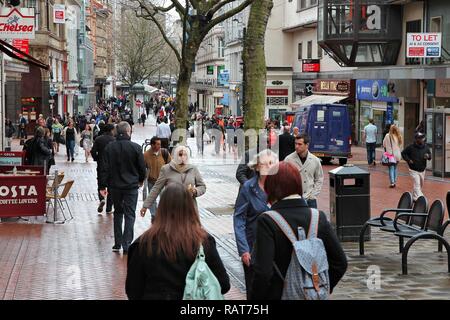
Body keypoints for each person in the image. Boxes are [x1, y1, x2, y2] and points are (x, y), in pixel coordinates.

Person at [249, 161, 348, 300]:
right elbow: (340, 263)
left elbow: (262, 272)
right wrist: (317, 288)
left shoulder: (267, 221)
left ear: (271, 188)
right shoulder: (318, 217)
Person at [126, 183, 230, 300]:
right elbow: (223, 284)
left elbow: (133, 290)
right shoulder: (203, 241)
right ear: (190, 208)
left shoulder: (143, 244)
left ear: (161, 208)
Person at [233, 149, 279, 298]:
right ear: (257, 167)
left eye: (271, 163)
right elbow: (239, 219)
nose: (268, 166)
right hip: (254, 247)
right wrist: (243, 249)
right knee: (254, 291)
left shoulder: (280, 188)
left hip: (277, 248)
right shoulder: (248, 188)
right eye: (264, 164)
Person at [99, 121, 146, 254]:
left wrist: (103, 185)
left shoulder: (110, 148)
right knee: (130, 214)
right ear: (127, 132)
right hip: (131, 186)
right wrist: (141, 180)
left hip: (115, 186)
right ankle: (126, 244)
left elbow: (104, 168)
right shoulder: (136, 148)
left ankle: (117, 243)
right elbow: (142, 168)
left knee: (118, 213)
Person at [141, 145, 206, 218]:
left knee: (189, 229)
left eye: (185, 155)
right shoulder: (166, 169)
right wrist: (145, 206)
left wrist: (195, 191)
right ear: (175, 155)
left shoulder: (193, 169)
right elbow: (156, 188)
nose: (182, 157)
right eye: (180, 154)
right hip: (172, 209)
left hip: (189, 209)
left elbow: (202, 186)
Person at [285, 133, 324, 208]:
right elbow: (283, 179)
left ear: (307, 145)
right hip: (293, 200)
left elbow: (319, 178)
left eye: (300, 144)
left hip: (310, 200)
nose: (296, 146)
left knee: (313, 219)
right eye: (295, 144)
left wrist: (313, 195)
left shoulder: (315, 160)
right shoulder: (288, 159)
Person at [143, 136, 172, 221]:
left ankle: (163, 214)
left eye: (160, 144)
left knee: (164, 199)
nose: (160, 146)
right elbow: (142, 168)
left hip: (163, 181)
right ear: (152, 145)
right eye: (158, 144)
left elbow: (171, 164)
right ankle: (154, 216)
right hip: (151, 181)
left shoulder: (164, 152)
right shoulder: (145, 155)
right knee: (152, 200)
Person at [91, 124, 116, 216]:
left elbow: (93, 151)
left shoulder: (98, 139)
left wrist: (97, 158)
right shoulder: (114, 140)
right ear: (111, 130)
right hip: (112, 166)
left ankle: (101, 198)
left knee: (101, 184)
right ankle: (109, 208)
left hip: (101, 165)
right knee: (111, 187)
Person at [401, 132, 431, 201]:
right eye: (420, 138)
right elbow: (403, 153)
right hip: (413, 169)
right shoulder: (410, 147)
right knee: (417, 183)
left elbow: (430, 156)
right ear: (416, 139)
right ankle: (421, 198)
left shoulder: (426, 147)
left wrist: (428, 156)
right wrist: (408, 160)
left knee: (420, 184)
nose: (422, 139)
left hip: (422, 169)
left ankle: (414, 197)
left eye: (422, 138)